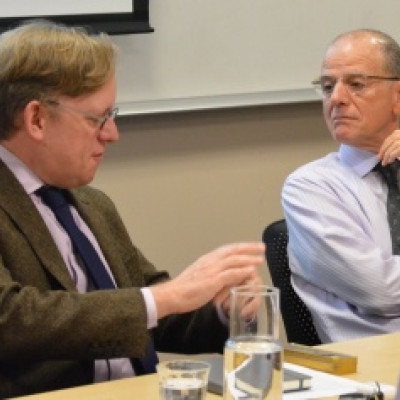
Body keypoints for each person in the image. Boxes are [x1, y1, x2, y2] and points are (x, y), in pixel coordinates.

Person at [0, 19, 265, 398]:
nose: (112, 134)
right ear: (37, 119)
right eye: (97, 119)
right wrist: (168, 296)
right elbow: (11, 319)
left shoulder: (92, 204)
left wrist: (225, 308)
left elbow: (148, 310)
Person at [282, 28, 400, 343]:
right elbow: (380, 291)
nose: (336, 99)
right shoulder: (310, 187)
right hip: (375, 364)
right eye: (327, 86)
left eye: (356, 84)